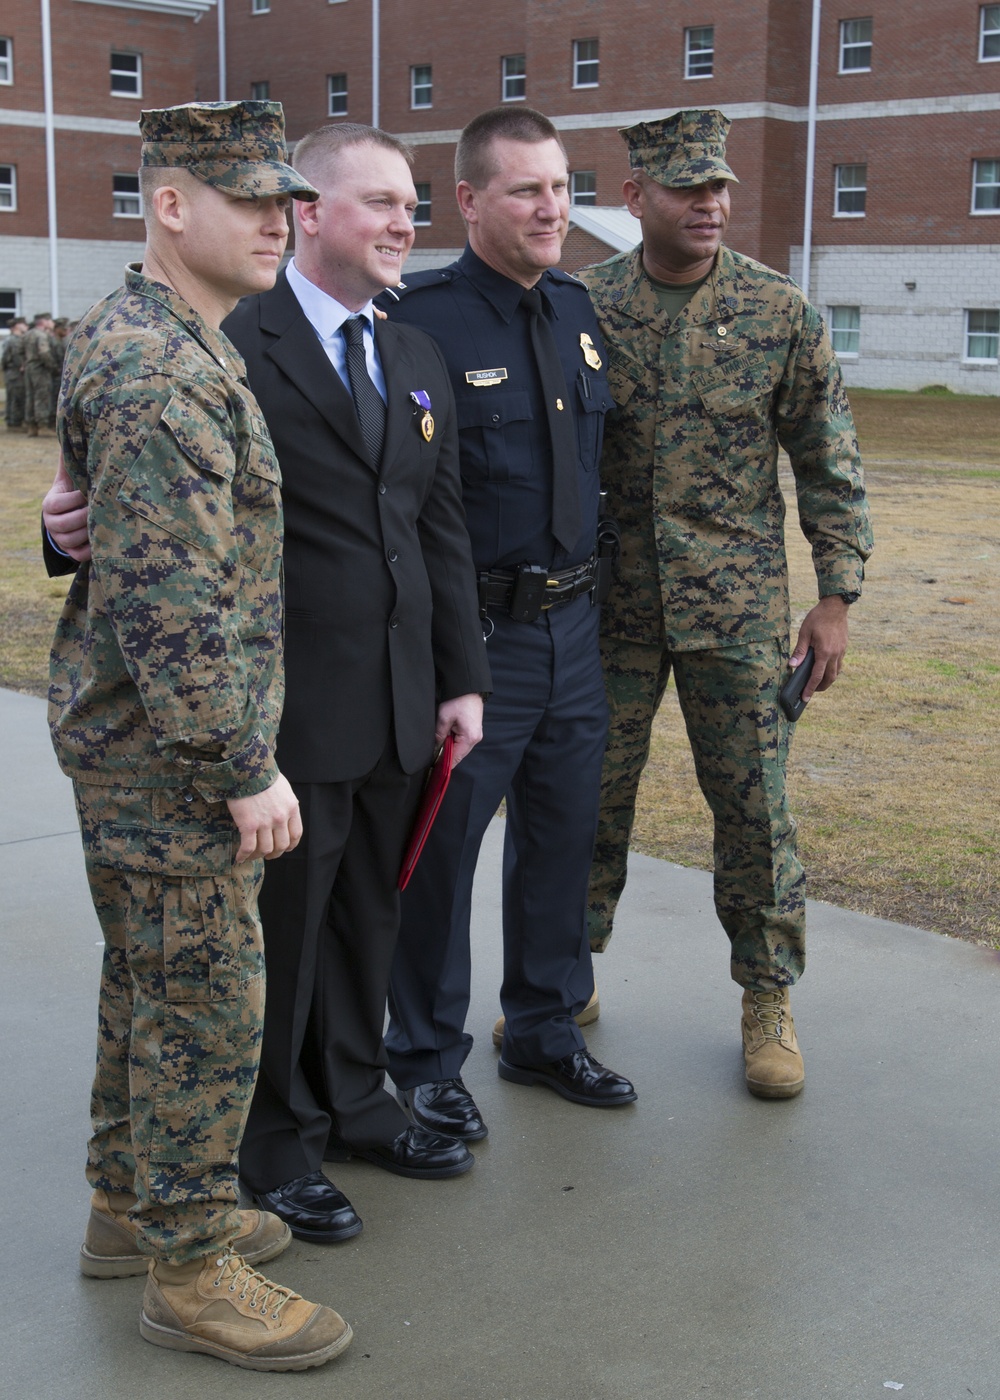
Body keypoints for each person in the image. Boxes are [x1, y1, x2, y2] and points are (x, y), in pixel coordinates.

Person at [44, 121, 491, 1248]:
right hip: (272, 705)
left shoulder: (411, 346)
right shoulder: (223, 333)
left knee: (363, 917)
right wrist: (64, 534)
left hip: (390, 687)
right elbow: (154, 529)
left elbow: (434, 526)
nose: (400, 222)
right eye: (373, 201)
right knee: (261, 947)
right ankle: (265, 1147)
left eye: (411, 203)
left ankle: (354, 1097)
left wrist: (458, 676)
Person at [46, 98, 353, 1371]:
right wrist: (243, 769)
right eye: (251, 199)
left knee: (148, 979)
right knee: (204, 999)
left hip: (137, 744)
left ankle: (131, 1200)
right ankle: (187, 1263)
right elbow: (173, 605)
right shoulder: (163, 364)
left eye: (289, 198)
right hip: (173, 756)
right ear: (172, 206)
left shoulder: (163, 332)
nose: (283, 221)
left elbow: (118, 540)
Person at [579, 110, 874, 1100]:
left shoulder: (778, 312)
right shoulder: (582, 310)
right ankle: (564, 970)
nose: (709, 204)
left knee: (753, 809)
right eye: (685, 188)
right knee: (587, 799)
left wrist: (835, 597)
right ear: (636, 199)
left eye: (719, 188)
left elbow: (827, 459)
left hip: (737, 610)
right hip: (607, 607)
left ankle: (766, 995)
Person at [381, 106, 637, 1137]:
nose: (551, 208)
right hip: (475, 639)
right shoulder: (420, 317)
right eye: (527, 189)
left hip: (573, 629)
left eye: (562, 186)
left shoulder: (575, 307)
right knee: (441, 852)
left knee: (563, 838)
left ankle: (541, 1025)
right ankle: (426, 1056)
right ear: (469, 200)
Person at [23, 312, 56, 436]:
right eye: (50, 321)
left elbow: (21, 351)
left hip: (29, 368)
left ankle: (31, 426)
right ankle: (42, 426)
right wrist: (52, 366)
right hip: (40, 369)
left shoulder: (27, 334)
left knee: (30, 396)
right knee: (42, 396)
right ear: (45, 322)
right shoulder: (41, 335)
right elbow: (44, 353)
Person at [1, 316, 28, 430]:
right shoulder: (13, 340)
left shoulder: (17, 338)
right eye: (24, 324)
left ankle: (14, 421)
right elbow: (11, 357)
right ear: (17, 325)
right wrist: (21, 365)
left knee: (16, 396)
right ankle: (14, 423)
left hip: (14, 371)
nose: (26, 327)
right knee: (16, 397)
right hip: (14, 372)